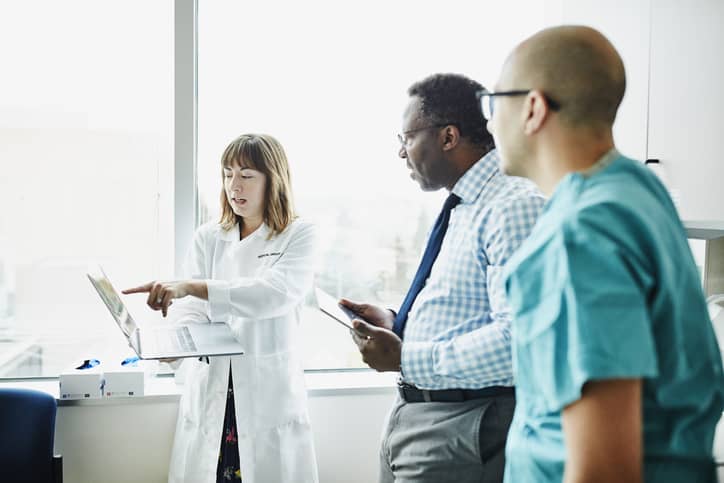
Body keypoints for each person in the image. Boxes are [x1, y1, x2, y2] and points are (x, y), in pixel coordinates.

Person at [483, 25, 724, 483]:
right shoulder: (638, 188)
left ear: (533, 108)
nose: (490, 122)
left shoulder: (578, 234)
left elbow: (604, 469)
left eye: (493, 103)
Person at [341, 73, 545, 483]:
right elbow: (465, 309)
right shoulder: (465, 204)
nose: (401, 153)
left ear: (448, 136)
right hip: (422, 418)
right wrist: (398, 323)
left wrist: (405, 357)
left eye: (406, 138)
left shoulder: (513, 206)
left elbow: (519, 342)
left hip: (462, 426)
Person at [123, 133, 319, 483]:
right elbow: (192, 312)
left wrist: (189, 288)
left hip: (266, 394)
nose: (234, 185)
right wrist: (169, 347)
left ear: (273, 179)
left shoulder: (299, 234)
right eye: (227, 174)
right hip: (213, 390)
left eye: (246, 175)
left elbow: (273, 294)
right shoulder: (209, 237)